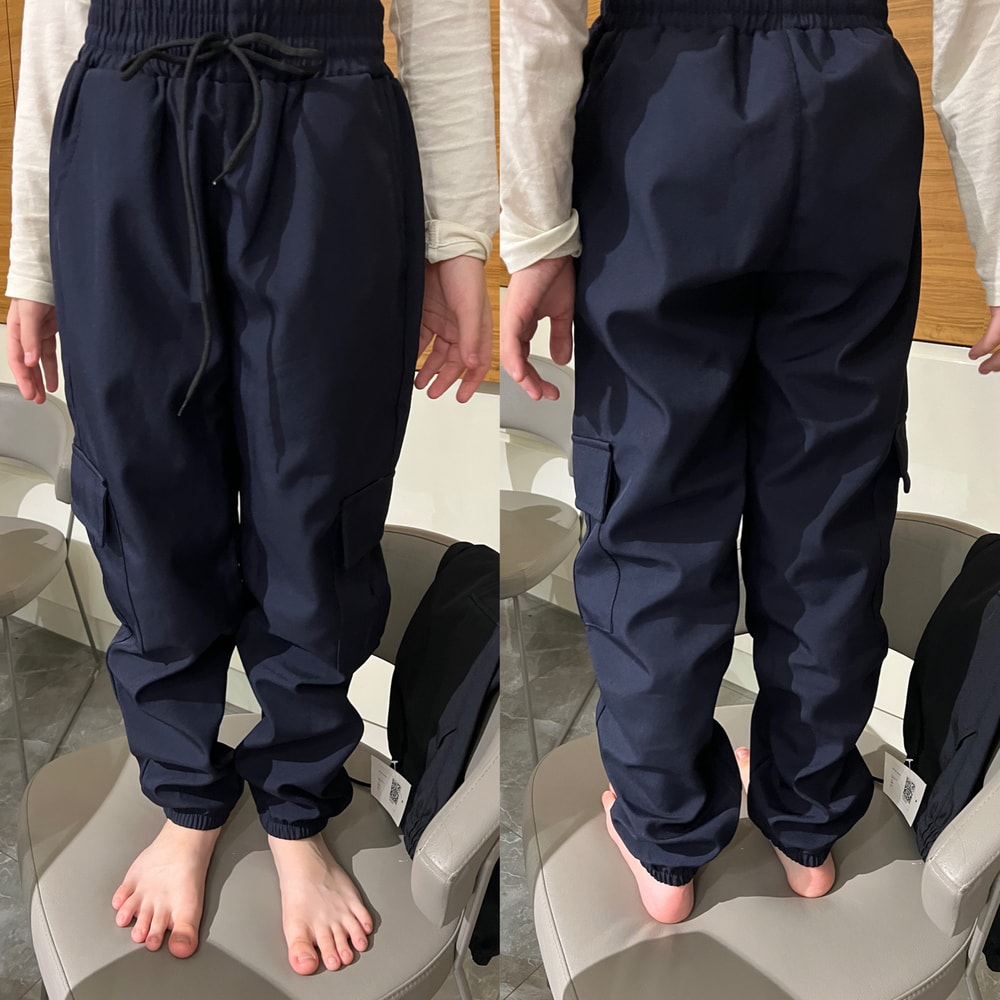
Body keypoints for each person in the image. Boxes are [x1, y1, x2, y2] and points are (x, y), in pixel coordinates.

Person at [6, 0, 497, 974]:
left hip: (329, 110)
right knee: (142, 503)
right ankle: (187, 795)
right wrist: (33, 253)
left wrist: (457, 236)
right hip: (124, 109)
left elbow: (440, 12)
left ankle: (295, 805)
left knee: (319, 502)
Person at [500, 0, 999, 924]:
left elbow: (542, 12)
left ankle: (664, 839)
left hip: (664, 102)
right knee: (828, 502)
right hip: (851, 98)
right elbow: (980, 25)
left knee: (653, 500)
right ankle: (807, 824)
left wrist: (535, 232)